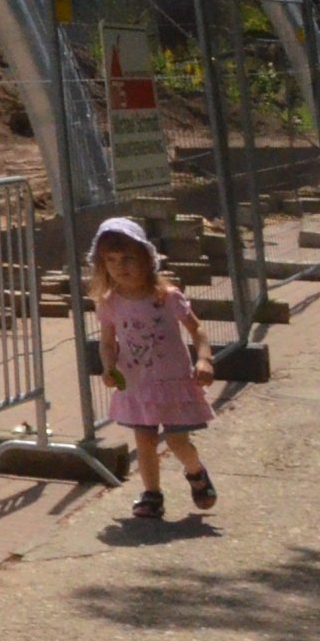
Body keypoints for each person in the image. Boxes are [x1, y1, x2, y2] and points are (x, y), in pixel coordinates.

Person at [88, 215, 217, 521]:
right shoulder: (109, 302)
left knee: (177, 441)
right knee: (144, 441)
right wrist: (108, 366)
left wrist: (204, 359)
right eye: (111, 260)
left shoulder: (166, 297)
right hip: (137, 383)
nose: (120, 266)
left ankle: (195, 471)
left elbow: (196, 329)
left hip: (172, 381)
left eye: (128, 258)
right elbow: (107, 342)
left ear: (147, 258)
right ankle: (152, 494)